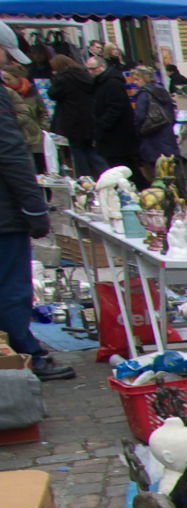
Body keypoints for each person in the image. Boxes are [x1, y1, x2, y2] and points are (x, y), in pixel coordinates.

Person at [0, 87, 74, 380]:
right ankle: (23, 360)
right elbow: (10, 153)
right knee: (10, 289)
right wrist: (34, 209)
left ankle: (12, 360)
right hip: (4, 215)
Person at [91, 59, 145, 187]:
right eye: (88, 69)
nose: (90, 72)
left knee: (124, 167)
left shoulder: (112, 83)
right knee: (121, 166)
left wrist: (102, 124)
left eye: (93, 68)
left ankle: (143, 189)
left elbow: (116, 107)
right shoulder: (100, 82)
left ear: (102, 66)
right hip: (111, 134)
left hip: (117, 135)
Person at [50, 55, 99, 177]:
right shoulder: (83, 75)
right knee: (89, 149)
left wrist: (55, 78)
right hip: (87, 117)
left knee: (77, 150)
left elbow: (53, 94)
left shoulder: (63, 79)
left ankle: (84, 178)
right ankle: (104, 171)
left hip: (71, 119)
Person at [130, 66, 178, 183]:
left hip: (151, 135)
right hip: (166, 133)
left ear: (144, 78)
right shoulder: (162, 90)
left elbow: (139, 116)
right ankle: (180, 194)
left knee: (156, 170)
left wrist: (136, 130)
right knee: (171, 168)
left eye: (137, 79)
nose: (135, 83)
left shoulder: (144, 94)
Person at [5, 65, 49, 168]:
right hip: (18, 138)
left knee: (40, 169)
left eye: (8, 78)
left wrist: (43, 127)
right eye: (4, 79)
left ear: (17, 78)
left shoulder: (32, 91)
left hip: (36, 138)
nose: (6, 81)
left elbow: (42, 112)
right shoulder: (6, 94)